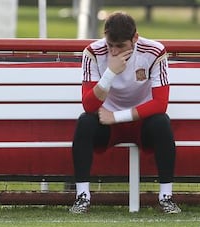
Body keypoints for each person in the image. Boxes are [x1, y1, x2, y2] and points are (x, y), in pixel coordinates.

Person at [69, 11, 181, 214]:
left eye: (120, 46)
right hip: (106, 123)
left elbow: (160, 103)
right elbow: (89, 105)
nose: (113, 51)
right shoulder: (93, 52)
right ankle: (82, 196)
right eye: (110, 45)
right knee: (85, 122)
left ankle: (166, 197)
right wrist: (110, 73)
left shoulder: (154, 51)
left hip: (142, 122)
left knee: (162, 122)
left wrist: (118, 116)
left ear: (135, 38)